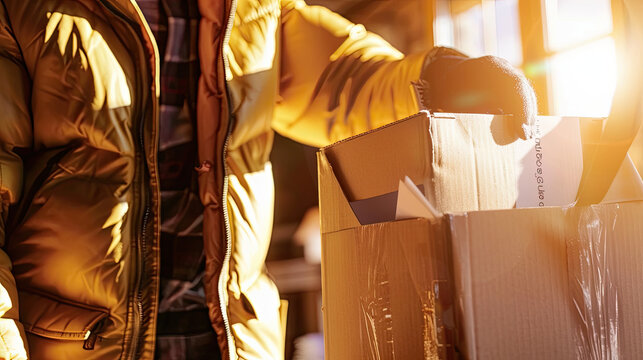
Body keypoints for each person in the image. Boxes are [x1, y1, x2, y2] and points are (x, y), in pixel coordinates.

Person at [0, 0, 536, 359]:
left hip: (232, 341)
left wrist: (440, 81)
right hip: (74, 345)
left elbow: (346, 78)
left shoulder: (257, 8)